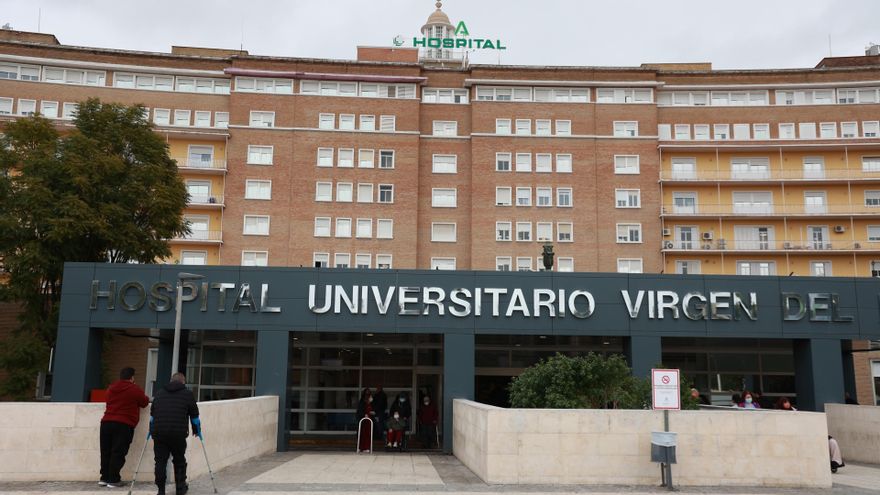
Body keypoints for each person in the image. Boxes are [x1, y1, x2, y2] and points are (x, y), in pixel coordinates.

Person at [99, 367, 150, 488]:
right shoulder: (134, 389)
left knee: (105, 451)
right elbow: (144, 402)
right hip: (123, 423)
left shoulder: (111, 388)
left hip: (106, 422)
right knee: (118, 451)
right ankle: (114, 479)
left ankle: (104, 478)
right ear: (132, 377)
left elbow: (108, 401)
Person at [151, 373, 200, 495]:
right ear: (183, 382)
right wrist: (196, 430)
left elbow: (152, 415)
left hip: (159, 432)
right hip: (178, 433)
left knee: (160, 461)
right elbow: (195, 416)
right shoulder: (187, 394)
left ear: (171, 381)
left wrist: (150, 429)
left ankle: (161, 490)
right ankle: (180, 488)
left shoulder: (159, 393)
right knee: (179, 460)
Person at [355, 388, 375, 452]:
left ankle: (367, 447)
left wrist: (373, 412)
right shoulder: (362, 402)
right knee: (362, 434)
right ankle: (360, 447)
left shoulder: (372, 403)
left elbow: (374, 410)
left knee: (368, 434)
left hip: (369, 421)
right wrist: (364, 414)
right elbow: (359, 411)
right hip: (363, 420)